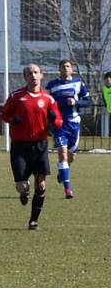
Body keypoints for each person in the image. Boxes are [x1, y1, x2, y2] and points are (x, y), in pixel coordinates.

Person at [0, 63, 63, 230]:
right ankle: (23, 192)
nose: (33, 76)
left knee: (41, 185)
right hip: (19, 147)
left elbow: (59, 121)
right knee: (22, 185)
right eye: (29, 73)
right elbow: (3, 114)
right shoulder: (16, 96)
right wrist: (13, 120)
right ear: (25, 77)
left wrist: (53, 119)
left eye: (36, 72)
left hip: (40, 145)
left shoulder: (48, 98)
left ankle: (33, 221)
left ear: (41, 75)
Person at [45, 59, 90, 199]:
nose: (65, 68)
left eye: (68, 66)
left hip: (74, 124)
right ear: (59, 69)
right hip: (59, 125)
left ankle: (62, 172)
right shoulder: (52, 85)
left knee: (70, 158)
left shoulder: (78, 83)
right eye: (63, 66)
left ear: (71, 69)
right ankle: (68, 189)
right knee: (62, 155)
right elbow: (46, 103)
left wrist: (76, 102)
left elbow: (88, 101)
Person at [102, 72, 111, 138]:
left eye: (109, 80)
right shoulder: (104, 89)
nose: (108, 81)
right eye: (106, 80)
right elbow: (104, 99)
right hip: (109, 111)